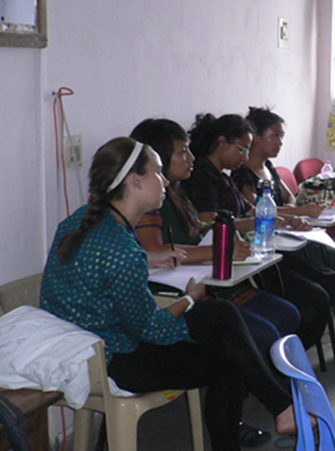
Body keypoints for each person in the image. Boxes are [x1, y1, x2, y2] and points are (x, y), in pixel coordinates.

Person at [40, 137, 296, 451]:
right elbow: (153, 329)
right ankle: (282, 410)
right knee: (228, 354)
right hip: (113, 359)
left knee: (221, 318)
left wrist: (149, 259)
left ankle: (283, 409)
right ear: (135, 181)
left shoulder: (80, 222)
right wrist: (189, 298)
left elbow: (98, 265)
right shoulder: (121, 251)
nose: (164, 182)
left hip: (82, 345)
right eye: (157, 173)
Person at [130, 118, 328, 362]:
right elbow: (156, 251)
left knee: (288, 314)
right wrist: (221, 250)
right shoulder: (151, 202)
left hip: (210, 278)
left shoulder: (178, 193)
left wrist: (280, 219)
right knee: (269, 329)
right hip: (186, 290)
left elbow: (210, 227)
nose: (191, 158)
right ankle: (263, 378)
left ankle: (267, 375)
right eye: (183, 152)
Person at [180, 113, 335, 350]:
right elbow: (214, 224)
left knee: (327, 283)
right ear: (222, 142)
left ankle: (287, 357)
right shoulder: (202, 177)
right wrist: (266, 221)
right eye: (242, 149)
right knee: (314, 296)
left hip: (252, 253)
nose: (245, 157)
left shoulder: (222, 177)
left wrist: (290, 218)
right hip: (238, 259)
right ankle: (285, 358)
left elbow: (255, 211)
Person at [232, 106, 335, 339]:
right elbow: (258, 212)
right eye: (274, 135)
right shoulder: (241, 175)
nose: (279, 142)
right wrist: (298, 212)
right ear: (255, 138)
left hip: (296, 232)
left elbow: (290, 197)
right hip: (277, 243)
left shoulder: (268, 168)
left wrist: (295, 213)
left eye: (282, 136)